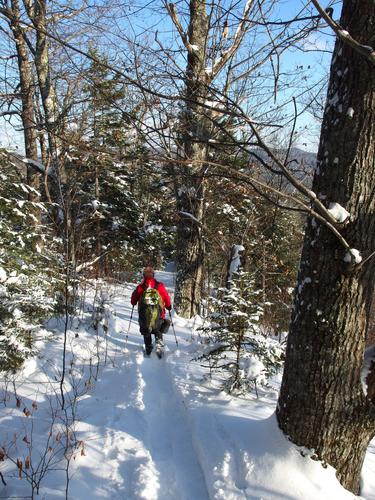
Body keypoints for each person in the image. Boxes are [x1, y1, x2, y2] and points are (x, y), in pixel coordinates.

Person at [131, 266, 172, 355]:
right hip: (158, 316)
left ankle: (148, 348)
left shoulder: (140, 287)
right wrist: (169, 307)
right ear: (153, 275)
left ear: (144, 275)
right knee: (158, 329)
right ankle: (159, 344)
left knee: (146, 330)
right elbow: (166, 298)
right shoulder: (160, 285)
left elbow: (133, 301)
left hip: (144, 316)